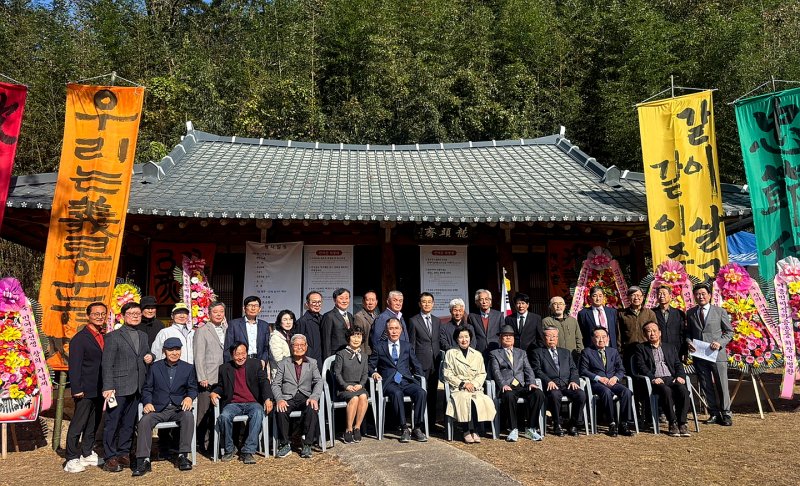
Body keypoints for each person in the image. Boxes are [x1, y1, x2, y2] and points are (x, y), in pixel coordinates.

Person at [101, 302, 154, 472]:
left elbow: (147, 353)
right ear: (123, 316)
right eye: (131, 313)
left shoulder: (143, 335)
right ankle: (110, 456)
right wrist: (108, 386)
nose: (135, 316)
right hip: (117, 387)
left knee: (129, 423)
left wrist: (150, 356)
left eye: (138, 313)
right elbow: (107, 364)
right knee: (113, 422)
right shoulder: (113, 336)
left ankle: (123, 452)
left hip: (137, 386)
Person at [132, 338, 198, 476]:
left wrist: (189, 397)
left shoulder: (188, 368)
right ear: (164, 351)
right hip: (158, 408)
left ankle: (183, 456)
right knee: (144, 421)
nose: (174, 353)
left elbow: (192, 388)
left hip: (178, 408)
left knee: (188, 416)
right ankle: (144, 460)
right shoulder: (155, 367)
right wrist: (147, 402)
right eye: (170, 350)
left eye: (177, 349)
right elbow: (147, 389)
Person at [210, 342, 274, 464]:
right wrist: (214, 392)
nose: (241, 357)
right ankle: (229, 449)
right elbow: (221, 386)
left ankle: (248, 451)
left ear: (247, 353)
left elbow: (264, 382)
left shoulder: (255, 364)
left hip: (252, 402)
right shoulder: (224, 368)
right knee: (224, 417)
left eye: (243, 354)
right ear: (232, 355)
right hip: (233, 404)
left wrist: (267, 398)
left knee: (258, 413)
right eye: (237, 354)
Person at [64, 302, 107, 473]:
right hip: (84, 389)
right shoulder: (80, 339)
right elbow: (74, 366)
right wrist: (76, 389)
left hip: (99, 388)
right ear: (88, 316)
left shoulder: (103, 336)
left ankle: (87, 452)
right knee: (78, 424)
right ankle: (71, 457)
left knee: (93, 423)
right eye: (96, 314)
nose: (100, 317)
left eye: (102, 314)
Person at [369, 318, 428, 443]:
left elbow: (416, 364)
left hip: (406, 380)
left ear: (401, 330)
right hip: (389, 382)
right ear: (386, 331)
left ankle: (417, 427)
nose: (394, 331)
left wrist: (421, 378)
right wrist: (374, 372)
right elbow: (370, 365)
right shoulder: (379, 347)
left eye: (396, 328)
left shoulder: (407, 346)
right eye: (391, 328)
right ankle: (404, 428)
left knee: (421, 392)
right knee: (397, 393)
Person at [686, 283, 734, 426]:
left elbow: (729, 332)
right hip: (700, 355)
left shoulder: (719, 311)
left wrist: (720, 342)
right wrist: (689, 341)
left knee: (722, 384)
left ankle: (726, 413)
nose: (700, 296)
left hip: (717, 355)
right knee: (706, 384)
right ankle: (713, 413)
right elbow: (688, 332)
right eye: (697, 294)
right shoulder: (691, 312)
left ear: (709, 295)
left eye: (703, 294)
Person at [489, 325, 546, 442]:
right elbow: (496, 372)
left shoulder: (521, 353)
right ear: (500, 338)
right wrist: (503, 385)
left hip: (522, 385)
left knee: (538, 394)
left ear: (514, 338)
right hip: (507, 386)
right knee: (509, 396)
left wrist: (531, 382)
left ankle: (531, 428)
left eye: (510, 336)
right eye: (505, 336)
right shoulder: (495, 353)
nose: (508, 338)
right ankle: (513, 429)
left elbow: (528, 369)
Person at [634, 321, 691, 437]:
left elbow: (678, 364)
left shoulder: (670, 347)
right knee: (666, 391)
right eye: (648, 331)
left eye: (654, 331)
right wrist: (652, 378)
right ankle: (672, 422)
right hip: (656, 381)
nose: (652, 333)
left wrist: (680, 376)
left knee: (683, 390)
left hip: (671, 378)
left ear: (660, 333)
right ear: (644, 334)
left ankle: (682, 423)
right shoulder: (641, 348)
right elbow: (641, 366)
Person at [442, 326, 496, 443]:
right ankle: (466, 430)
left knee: (479, 400)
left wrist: (474, 384)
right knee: (465, 400)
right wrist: (463, 384)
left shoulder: (477, 354)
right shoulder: (451, 353)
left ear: (470, 338)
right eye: (461, 337)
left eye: (466, 337)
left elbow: (482, 373)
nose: (464, 340)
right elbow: (447, 373)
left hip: (474, 388)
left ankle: (475, 430)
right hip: (459, 388)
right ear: (456, 339)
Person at [272, 334, 324, 459]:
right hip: (288, 397)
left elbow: (319, 381)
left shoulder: (312, 362)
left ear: (306, 346)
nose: (299, 347)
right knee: (281, 410)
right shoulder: (283, 363)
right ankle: (285, 444)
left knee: (312, 408)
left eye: (302, 345)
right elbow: (275, 384)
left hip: (305, 396)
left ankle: (307, 444)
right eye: (296, 345)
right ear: (291, 347)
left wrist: (314, 397)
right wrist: (279, 399)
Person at [531, 326, 586, 437]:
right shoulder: (537, 352)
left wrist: (573, 381)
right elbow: (537, 370)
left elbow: (573, 369)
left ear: (557, 338)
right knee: (555, 395)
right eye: (549, 336)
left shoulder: (566, 352)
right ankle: (557, 424)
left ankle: (573, 424)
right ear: (543, 337)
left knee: (581, 394)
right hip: (551, 385)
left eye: (554, 336)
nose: (552, 338)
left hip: (567, 384)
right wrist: (548, 381)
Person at [580, 327, 634, 437]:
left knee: (627, 392)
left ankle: (623, 423)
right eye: (598, 337)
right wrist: (598, 378)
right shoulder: (587, 352)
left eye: (604, 337)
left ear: (608, 338)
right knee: (606, 392)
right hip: (596, 384)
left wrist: (616, 378)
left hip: (612, 382)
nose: (601, 339)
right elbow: (583, 370)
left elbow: (621, 369)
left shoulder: (613, 351)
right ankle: (611, 423)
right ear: (592, 339)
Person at [193, 301, 227, 452]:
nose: (219, 314)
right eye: (215, 312)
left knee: (218, 411)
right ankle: (202, 443)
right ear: (209, 313)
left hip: (223, 376)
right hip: (208, 376)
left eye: (221, 312)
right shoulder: (202, 330)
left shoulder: (227, 328)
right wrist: (202, 376)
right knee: (204, 411)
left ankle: (216, 442)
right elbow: (198, 355)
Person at [408, 292, 442, 425]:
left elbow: (438, 341)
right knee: (422, 392)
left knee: (433, 393)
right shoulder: (413, 320)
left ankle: (431, 424)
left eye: (429, 302)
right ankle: (420, 424)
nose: (427, 304)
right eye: (424, 301)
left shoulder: (437, 321)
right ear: (419, 304)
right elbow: (412, 344)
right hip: (421, 363)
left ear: (433, 304)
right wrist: (413, 364)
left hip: (435, 362)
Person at [332, 325, 370, 443]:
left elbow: (365, 373)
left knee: (363, 396)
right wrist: (346, 386)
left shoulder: (364, 356)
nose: (356, 339)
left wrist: (361, 384)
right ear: (349, 338)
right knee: (354, 398)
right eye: (354, 336)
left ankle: (357, 427)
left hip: (358, 386)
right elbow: (337, 373)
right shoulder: (341, 354)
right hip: (344, 388)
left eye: (359, 336)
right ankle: (348, 429)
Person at [224, 296, 271, 369]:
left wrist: (263, 360)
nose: (253, 308)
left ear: (259, 309)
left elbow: (266, 347)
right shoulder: (234, 324)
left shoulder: (264, 325)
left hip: (259, 363)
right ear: (244, 308)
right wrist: (231, 366)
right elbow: (228, 348)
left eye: (256, 306)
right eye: (250, 305)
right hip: (239, 363)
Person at [617, 286, 657, 369]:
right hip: (629, 350)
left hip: (646, 350)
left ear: (643, 297)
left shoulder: (650, 313)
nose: (636, 298)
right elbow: (619, 334)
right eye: (633, 295)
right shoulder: (622, 314)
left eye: (639, 295)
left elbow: (656, 332)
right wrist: (620, 350)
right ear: (628, 297)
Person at [542, 296, 584, 360]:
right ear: (550, 307)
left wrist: (580, 353)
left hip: (572, 356)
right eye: (555, 304)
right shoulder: (547, 321)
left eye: (561, 304)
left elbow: (578, 338)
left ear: (565, 306)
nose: (558, 306)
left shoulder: (572, 320)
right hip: (556, 357)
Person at [652, 286, 687, 357]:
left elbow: (683, 333)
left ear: (670, 296)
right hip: (658, 349)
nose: (662, 296)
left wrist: (685, 351)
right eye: (659, 294)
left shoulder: (679, 313)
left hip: (676, 349)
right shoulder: (652, 313)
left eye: (664, 294)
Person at [322, 288, 355, 359]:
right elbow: (326, 340)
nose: (344, 301)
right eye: (341, 298)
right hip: (335, 355)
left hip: (349, 355)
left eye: (347, 298)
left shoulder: (350, 316)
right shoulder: (329, 316)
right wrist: (328, 359)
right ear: (334, 300)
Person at [467, 289, 503, 354]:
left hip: (496, 349)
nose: (484, 302)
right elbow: (471, 335)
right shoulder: (472, 316)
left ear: (490, 301)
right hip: (479, 350)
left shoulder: (498, 315)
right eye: (481, 299)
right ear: (477, 302)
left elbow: (502, 333)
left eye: (486, 299)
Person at [295, 291, 324, 371]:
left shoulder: (324, 319)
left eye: (319, 302)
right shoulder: (302, 321)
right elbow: (298, 345)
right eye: (314, 302)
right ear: (307, 304)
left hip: (323, 360)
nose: (317, 304)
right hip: (308, 362)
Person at [354, 290, 379, 355]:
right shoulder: (358, 317)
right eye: (368, 300)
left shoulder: (377, 316)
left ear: (376, 302)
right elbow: (358, 339)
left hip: (376, 352)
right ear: (363, 302)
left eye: (373, 300)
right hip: (366, 353)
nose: (370, 303)